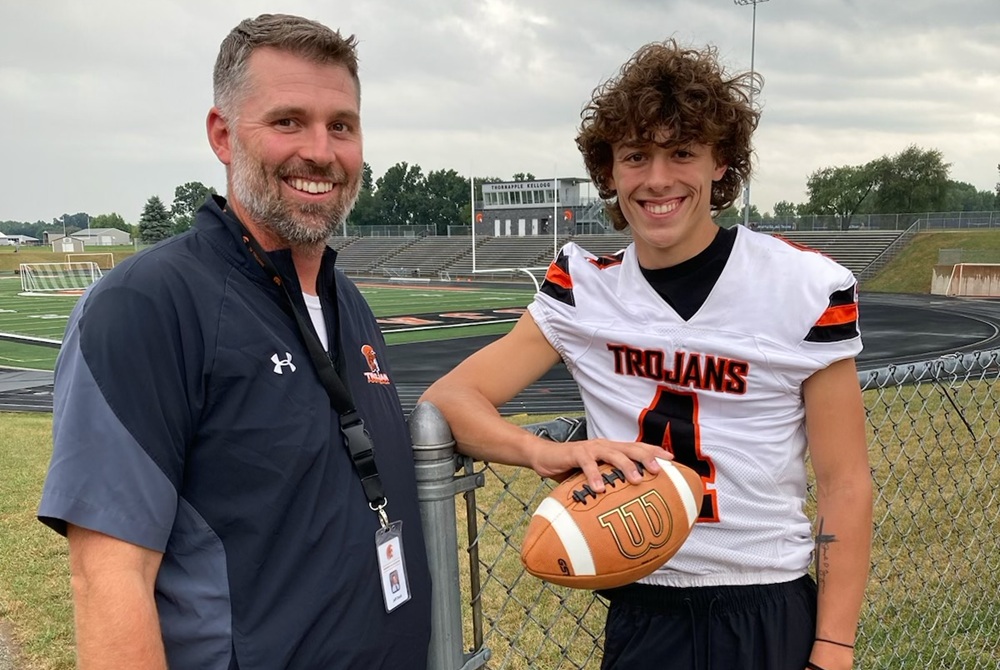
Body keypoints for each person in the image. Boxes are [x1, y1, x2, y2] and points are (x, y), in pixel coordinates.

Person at [421, 39, 872, 670]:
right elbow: (449, 399)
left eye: (682, 153)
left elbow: (845, 482)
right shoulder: (586, 288)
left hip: (765, 598)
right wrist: (548, 453)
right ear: (609, 171)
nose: (657, 179)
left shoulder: (800, 288)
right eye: (636, 156)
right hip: (643, 607)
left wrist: (834, 647)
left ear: (721, 163)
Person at [38, 14, 431, 670]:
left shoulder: (350, 303)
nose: (320, 151)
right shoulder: (146, 307)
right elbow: (109, 581)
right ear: (222, 135)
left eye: (341, 126)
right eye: (287, 121)